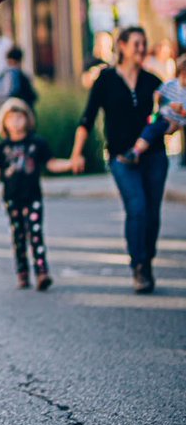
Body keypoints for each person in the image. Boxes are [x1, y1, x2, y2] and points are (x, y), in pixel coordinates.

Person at [71, 26, 166, 294]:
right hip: (121, 158)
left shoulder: (153, 81)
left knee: (152, 214)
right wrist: (77, 153)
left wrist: (170, 122)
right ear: (122, 46)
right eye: (136, 43)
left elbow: (166, 117)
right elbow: (87, 118)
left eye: (144, 43)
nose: (141, 48)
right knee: (137, 207)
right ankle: (139, 266)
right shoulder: (106, 80)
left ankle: (146, 259)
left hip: (155, 156)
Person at [0, 98, 71, 290]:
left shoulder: (36, 143)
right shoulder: (2, 147)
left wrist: (69, 164)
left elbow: (51, 163)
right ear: (4, 122)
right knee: (18, 236)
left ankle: (42, 272)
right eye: (11, 118)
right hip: (12, 198)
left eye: (20, 117)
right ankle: (22, 272)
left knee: (35, 234)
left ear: (27, 119)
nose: (16, 122)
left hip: (32, 197)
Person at [118, 53, 186, 165]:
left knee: (151, 131)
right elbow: (158, 94)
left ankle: (135, 152)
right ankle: (135, 152)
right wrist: (161, 99)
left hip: (173, 122)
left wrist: (180, 113)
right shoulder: (170, 85)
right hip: (162, 116)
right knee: (149, 129)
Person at [0, 45, 37, 110]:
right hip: (19, 112)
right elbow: (33, 97)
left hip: (2, 113)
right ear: (19, 61)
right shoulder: (20, 75)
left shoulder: (0, 76)